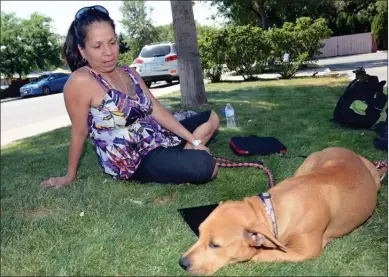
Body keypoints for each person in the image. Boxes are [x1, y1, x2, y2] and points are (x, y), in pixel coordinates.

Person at [41, 5, 219, 188]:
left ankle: (183, 158)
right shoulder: (80, 81)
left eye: (112, 42)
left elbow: (155, 108)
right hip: (133, 157)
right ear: (82, 50)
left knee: (211, 118)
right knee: (208, 167)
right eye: (97, 46)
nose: (108, 52)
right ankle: (183, 162)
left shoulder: (129, 72)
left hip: (156, 136)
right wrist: (69, 176)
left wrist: (193, 140)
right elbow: (80, 133)